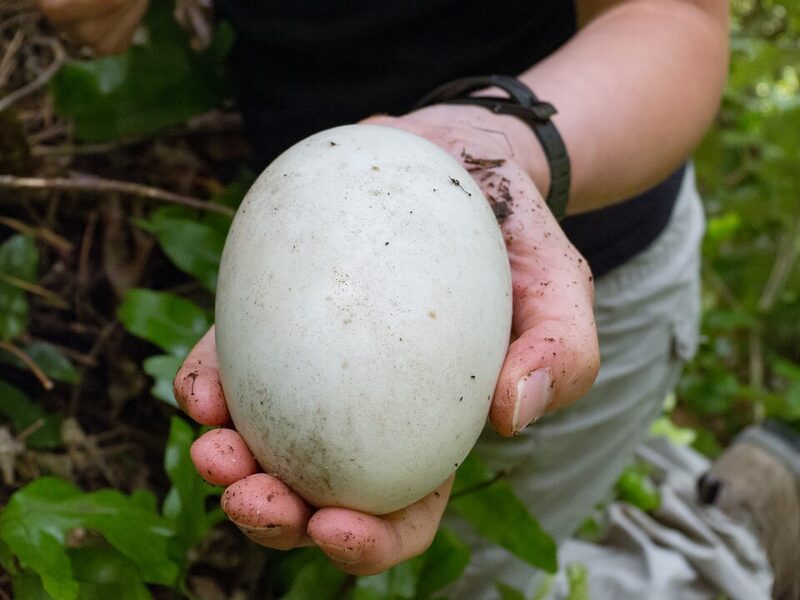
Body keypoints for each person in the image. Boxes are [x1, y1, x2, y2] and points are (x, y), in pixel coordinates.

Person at [36, 1, 799, 598]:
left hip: (577, 277)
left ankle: (731, 533)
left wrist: (502, 144)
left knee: (480, 582)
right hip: (322, 245)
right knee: (345, 542)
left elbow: (677, 18)